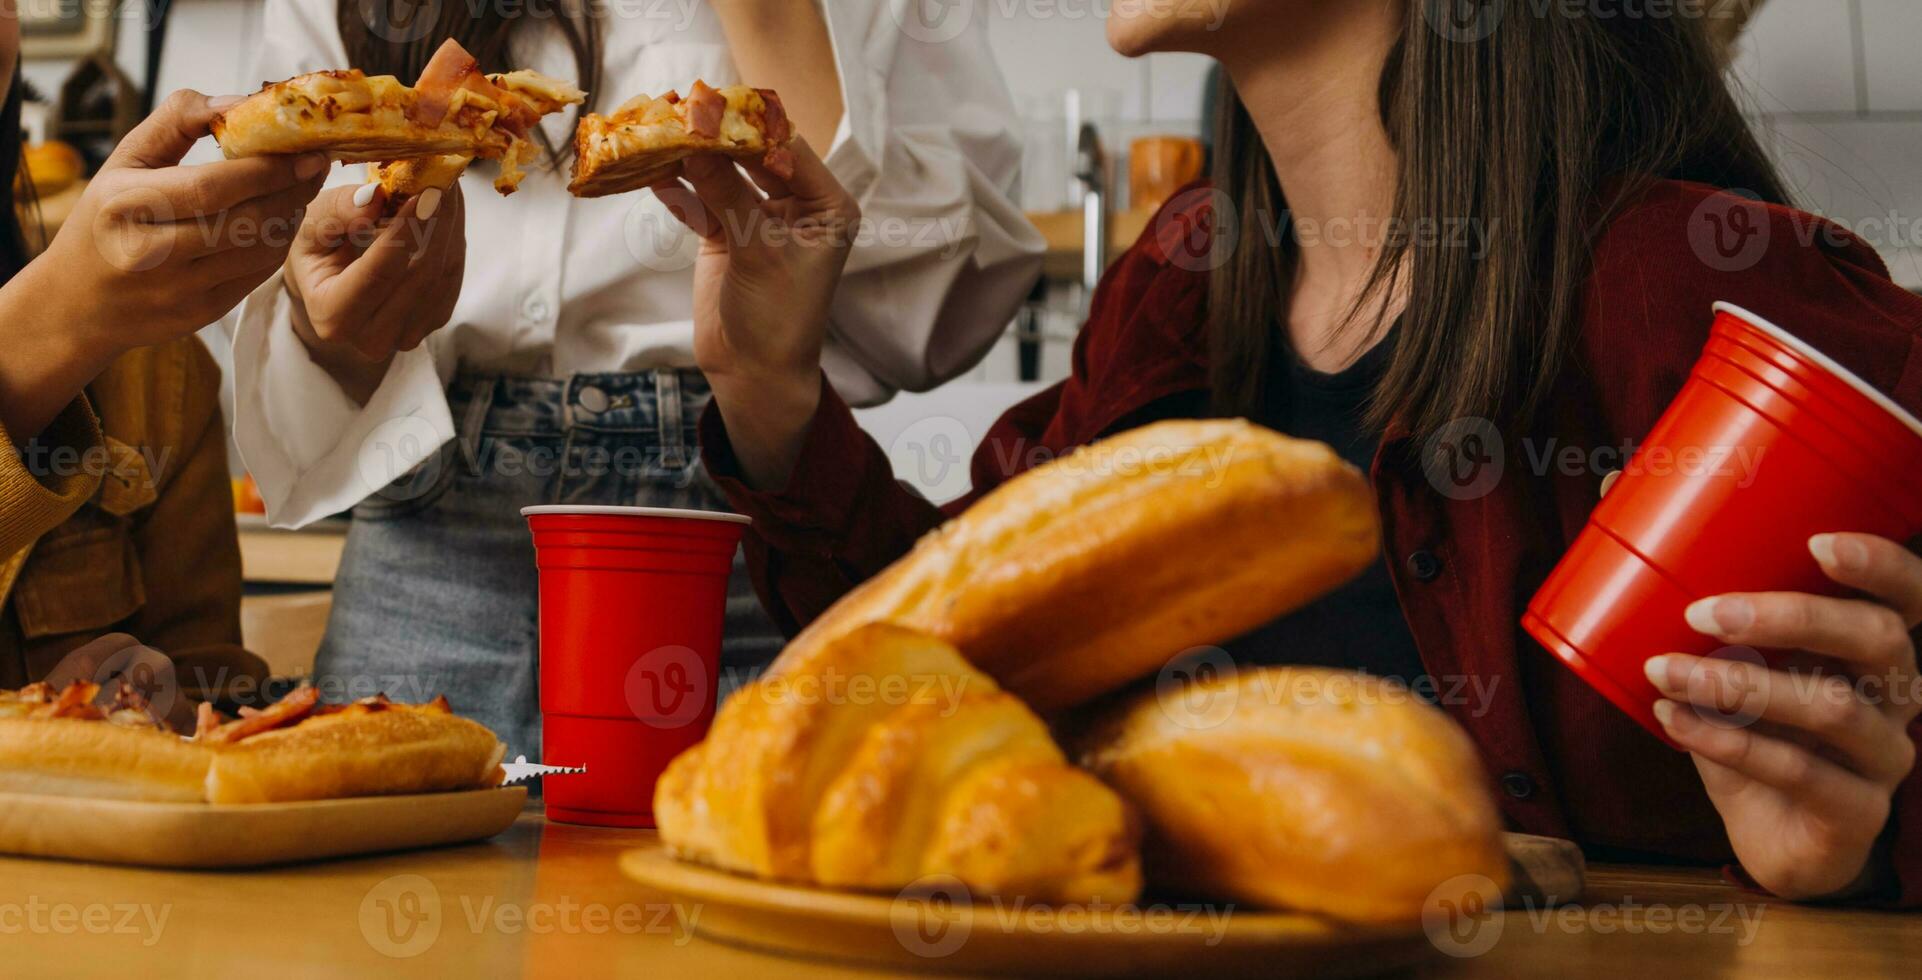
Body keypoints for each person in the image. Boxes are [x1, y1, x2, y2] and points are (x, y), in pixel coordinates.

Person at [662, 2, 1922, 903]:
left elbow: (1867, 746)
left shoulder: (1709, 293)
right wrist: (771, 387)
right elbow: (950, 650)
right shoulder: (1181, 279)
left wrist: (1857, 850)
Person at [222, 0, 1041, 757]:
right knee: (366, 898)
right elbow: (264, 284)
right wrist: (329, 330)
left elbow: (936, 319)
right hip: (425, 523)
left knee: (745, 884)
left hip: (746, 526)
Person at [0, 4, 316, 710]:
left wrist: (160, 709)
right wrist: (50, 326)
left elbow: (217, 693)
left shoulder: (154, 366)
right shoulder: (97, 310)